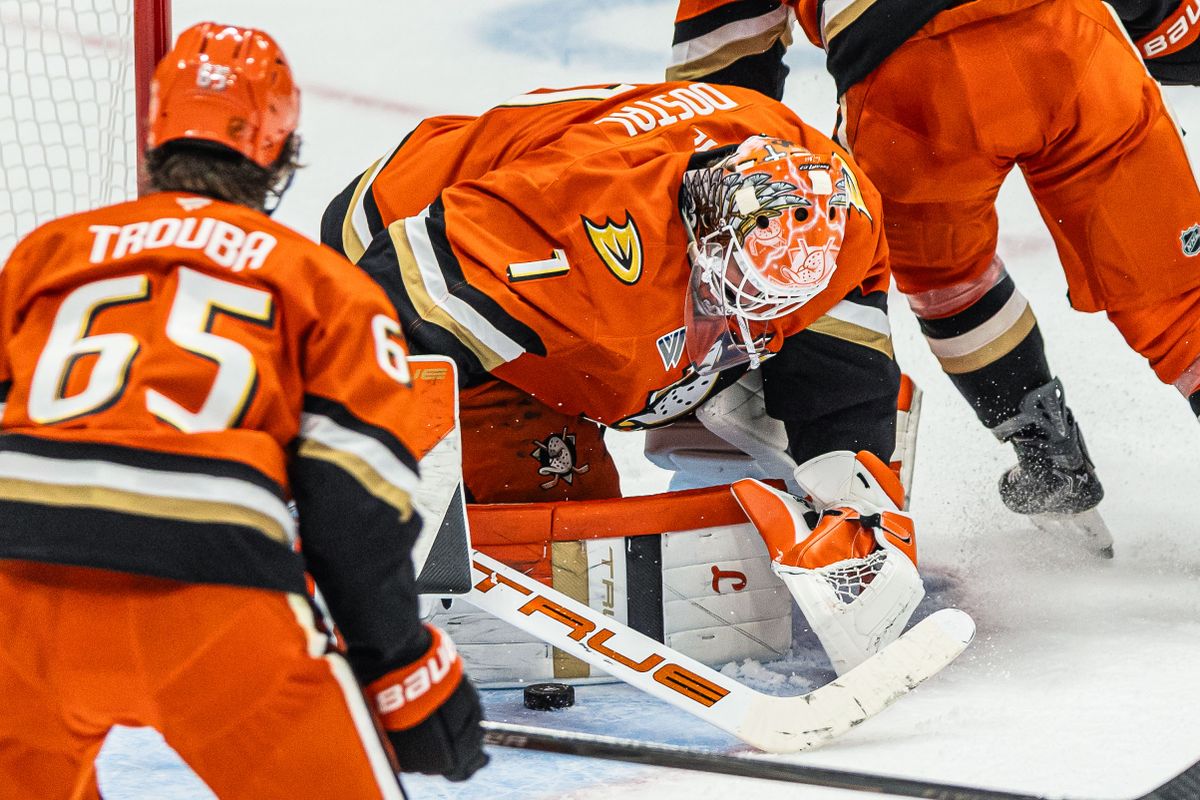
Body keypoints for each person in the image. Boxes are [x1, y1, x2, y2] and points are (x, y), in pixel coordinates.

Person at [0, 23, 486, 798]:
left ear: (156, 137)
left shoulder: (41, 256)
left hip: (18, 604)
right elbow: (350, 511)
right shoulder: (326, 286)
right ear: (279, 153)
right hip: (213, 604)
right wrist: (406, 674)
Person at [322, 81, 923, 678]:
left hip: (618, 261)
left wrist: (855, 503)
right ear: (701, 233)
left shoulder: (841, 216)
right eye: (744, 292)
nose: (757, 318)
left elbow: (843, 360)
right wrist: (361, 487)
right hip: (426, 254)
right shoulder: (571, 231)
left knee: (849, 414)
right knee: (554, 541)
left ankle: (716, 429)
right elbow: (377, 311)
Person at [668, 0, 1200, 546]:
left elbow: (718, 86)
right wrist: (1172, 31)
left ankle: (1048, 461)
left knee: (947, 279)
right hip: (1071, 35)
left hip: (908, 71)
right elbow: (1174, 31)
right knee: (1179, 296)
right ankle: (1048, 462)